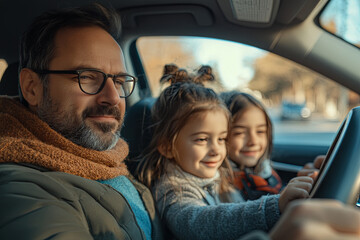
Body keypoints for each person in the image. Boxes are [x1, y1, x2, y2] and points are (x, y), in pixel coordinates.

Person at [0, 3, 164, 239]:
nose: (113, 97)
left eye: (119, 81)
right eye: (86, 77)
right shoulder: (19, 191)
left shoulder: (111, 161)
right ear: (32, 88)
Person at [135, 65, 314, 240]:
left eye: (221, 139)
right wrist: (274, 206)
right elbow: (201, 223)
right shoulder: (172, 191)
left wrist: (294, 191)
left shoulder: (218, 177)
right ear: (167, 147)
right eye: (202, 139)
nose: (216, 151)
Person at [221, 91, 283, 200]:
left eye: (260, 131)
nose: (253, 141)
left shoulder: (265, 170)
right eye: (239, 133)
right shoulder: (221, 188)